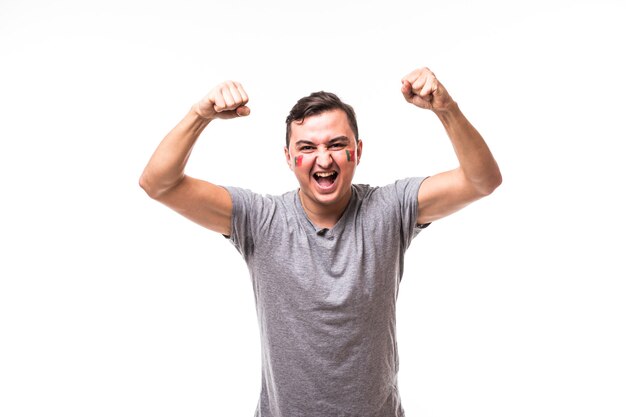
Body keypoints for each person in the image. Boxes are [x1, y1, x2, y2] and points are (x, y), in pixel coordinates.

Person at [139, 67, 502, 417]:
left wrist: (447, 110)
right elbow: (159, 183)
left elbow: (482, 180)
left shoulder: (390, 209)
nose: (323, 159)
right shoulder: (261, 221)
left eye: (337, 144)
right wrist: (200, 114)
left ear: (357, 151)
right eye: (308, 147)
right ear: (288, 158)